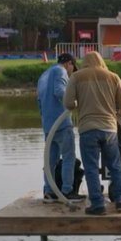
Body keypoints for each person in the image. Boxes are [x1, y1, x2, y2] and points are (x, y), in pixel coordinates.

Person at [62, 50, 121, 215]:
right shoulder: (113, 77)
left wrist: (79, 102)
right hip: (109, 129)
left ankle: (98, 204)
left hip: (87, 129)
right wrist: (120, 116)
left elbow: (68, 103)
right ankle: (120, 201)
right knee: (115, 166)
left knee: (91, 168)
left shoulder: (77, 77)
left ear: (85, 61)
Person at [38, 52, 78, 202]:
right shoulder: (60, 71)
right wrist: (75, 103)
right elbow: (60, 91)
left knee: (50, 161)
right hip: (62, 124)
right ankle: (67, 191)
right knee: (69, 157)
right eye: (73, 68)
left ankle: (49, 192)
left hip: (48, 125)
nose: (71, 72)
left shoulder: (43, 75)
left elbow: (39, 101)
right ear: (69, 63)